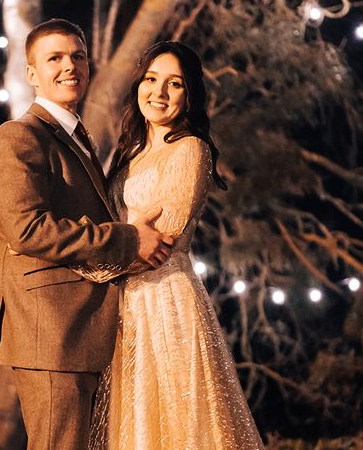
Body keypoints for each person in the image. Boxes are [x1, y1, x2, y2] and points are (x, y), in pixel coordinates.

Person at [0, 19, 174, 450]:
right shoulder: (17, 137)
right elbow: (28, 230)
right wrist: (128, 240)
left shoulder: (75, 136)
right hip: (50, 332)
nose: (70, 66)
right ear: (32, 74)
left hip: (83, 330)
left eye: (77, 56)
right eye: (55, 58)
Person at [85, 41, 265, 450]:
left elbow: (159, 244)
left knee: (180, 428)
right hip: (127, 311)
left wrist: (88, 265)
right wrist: (119, 237)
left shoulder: (190, 150)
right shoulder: (128, 156)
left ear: (190, 95)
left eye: (174, 84)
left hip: (167, 305)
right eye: (150, 80)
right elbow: (125, 233)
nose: (158, 93)